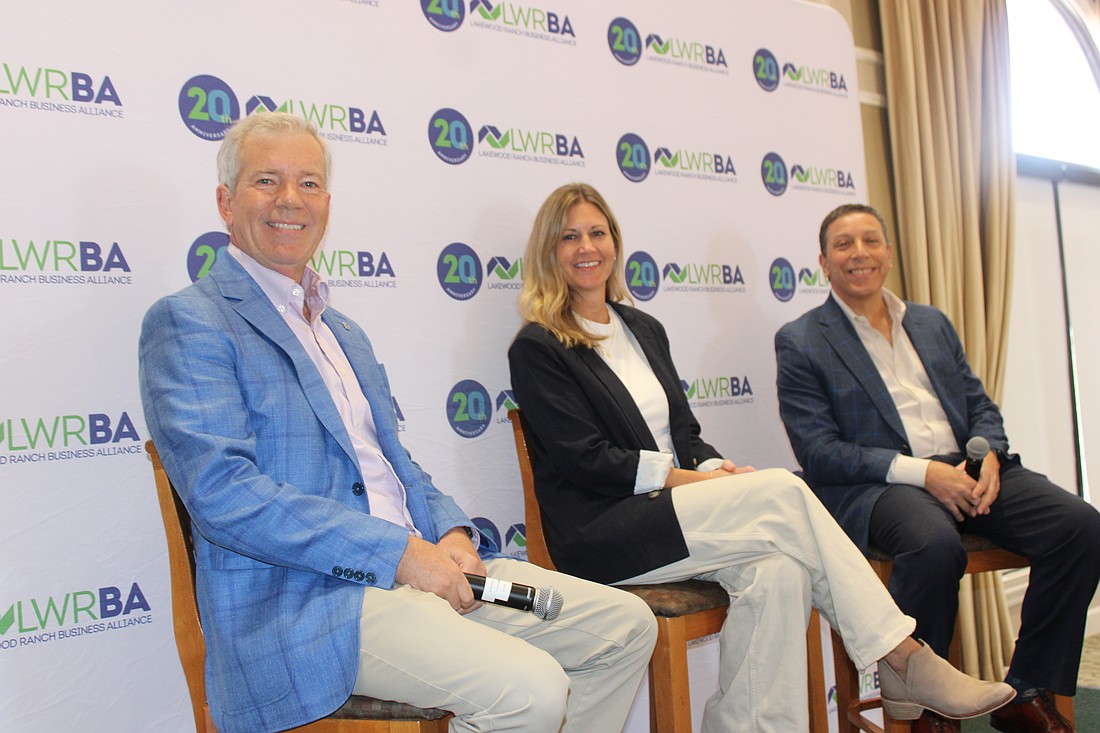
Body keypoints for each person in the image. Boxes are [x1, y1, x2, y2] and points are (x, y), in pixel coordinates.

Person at [138, 114, 659, 733]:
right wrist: (398, 554)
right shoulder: (191, 321)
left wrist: (452, 533)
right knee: (532, 691)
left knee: (625, 627)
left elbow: (394, 464)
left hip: (425, 572)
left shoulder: (343, 332)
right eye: (266, 181)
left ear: (327, 204)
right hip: (313, 605)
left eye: (309, 183)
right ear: (226, 202)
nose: (290, 199)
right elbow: (225, 495)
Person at [507, 183, 1015, 733]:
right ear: (549, 252)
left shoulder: (643, 329)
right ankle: (902, 657)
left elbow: (685, 434)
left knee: (782, 573)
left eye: (597, 233)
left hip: (670, 516)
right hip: (603, 531)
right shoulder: (538, 347)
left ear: (615, 242)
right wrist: (687, 480)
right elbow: (585, 460)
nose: (587, 247)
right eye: (570, 237)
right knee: (783, 490)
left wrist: (713, 469)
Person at [775, 202, 1100, 733]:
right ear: (824, 263)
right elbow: (818, 451)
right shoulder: (802, 339)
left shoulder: (930, 322)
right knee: (932, 544)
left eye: (870, 240)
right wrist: (924, 474)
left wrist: (989, 454)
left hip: (965, 468)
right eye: (843, 244)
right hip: (885, 484)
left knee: (1080, 526)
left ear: (888, 252)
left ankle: (1028, 690)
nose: (859, 253)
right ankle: (929, 709)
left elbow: (979, 405)